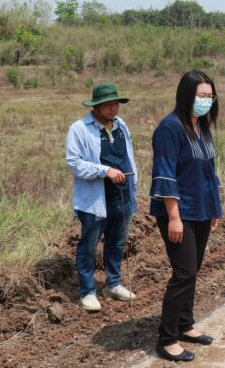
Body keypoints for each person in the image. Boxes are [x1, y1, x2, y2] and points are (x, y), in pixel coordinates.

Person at [150, 70, 222, 362]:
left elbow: (209, 171)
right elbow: (165, 175)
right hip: (179, 212)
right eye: (200, 96)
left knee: (194, 270)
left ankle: (185, 325)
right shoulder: (169, 128)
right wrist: (174, 217)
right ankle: (166, 339)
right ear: (186, 96)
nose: (206, 101)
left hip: (203, 209)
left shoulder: (201, 127)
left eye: (209, 96)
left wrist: (215, 208)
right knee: (184, 273)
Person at [66, 83, 138, 312]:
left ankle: (113, 283)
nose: (113, 108)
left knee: (117, 241)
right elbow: (74, 164)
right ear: (95, 106)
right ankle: (87, 291)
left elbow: (129, 156)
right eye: (107, 104)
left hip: (122, 195)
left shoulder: (121, 126)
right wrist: (104, 171)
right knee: (88, 246)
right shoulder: (79, 129)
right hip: (96, 198)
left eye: (115, 103)